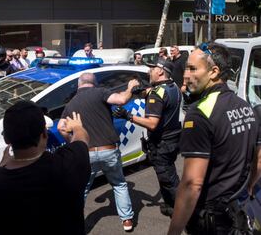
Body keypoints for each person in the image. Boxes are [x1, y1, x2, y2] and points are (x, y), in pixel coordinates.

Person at [168, 43, 260, 235]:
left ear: (214, 72)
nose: (186, 75)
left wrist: (174, 231)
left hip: (212, 219)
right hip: (240, 210)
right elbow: (258, 159)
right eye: (186, 67)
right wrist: (250, 186)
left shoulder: (199, 113)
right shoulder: (246, 107)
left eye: (193, 68)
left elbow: (192, 183)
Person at [0, 101, 90, 235]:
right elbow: (82, 140)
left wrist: (1, 166)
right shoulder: (67, 164)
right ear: (45, 134)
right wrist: (77, 127)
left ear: (6, 139)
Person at [57, 72, 139, 232]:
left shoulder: (71, 103)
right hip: (108, 150)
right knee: (119, 184)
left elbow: (61, 127)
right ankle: (127, 221)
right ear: (94, 83)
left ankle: (76, 224)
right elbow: (121, 100)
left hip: (86, 153)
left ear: (79, 85)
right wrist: (130, 88)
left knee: (83, 188)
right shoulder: (100, 92)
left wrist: (75, 143)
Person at [114, 57, 182, 217]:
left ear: (160, 71)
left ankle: (184, 214)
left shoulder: (156, 95)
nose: (149, 71)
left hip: (162, 143)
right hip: (172, 140)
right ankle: (170, 206)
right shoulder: (173, 87)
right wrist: (142, 92)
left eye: (152, 69)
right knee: (168, 175)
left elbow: (152, 123)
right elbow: (160, 96)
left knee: (168, 180)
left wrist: (127, 116)